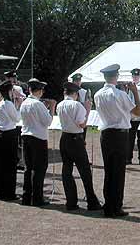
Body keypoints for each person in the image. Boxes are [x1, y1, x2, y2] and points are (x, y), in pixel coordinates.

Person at [94, 64, 140, 218]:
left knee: (109, 171)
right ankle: (116, 206)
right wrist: (134, 92)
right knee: (119, 172)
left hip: (106, 134)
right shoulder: (120, 94)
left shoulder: (97, 94)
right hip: (120, 134)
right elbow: (137, 112)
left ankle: (109, 205)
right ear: (116, 76)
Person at [57, 82, 102, 211]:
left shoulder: (60, 105)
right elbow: (81, 124)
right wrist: (87, 110)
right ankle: (91, 201)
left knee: (67, 170)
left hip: (64, 137)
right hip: (75, 139)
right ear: (75, 94)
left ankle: (71, 201)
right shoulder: (77, 105)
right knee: (85, 171)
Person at [20, 78, 55, 207]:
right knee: (39, 169)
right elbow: (48, 122)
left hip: (26, 136)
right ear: (40, 91)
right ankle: (37, 198)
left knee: (28, 168)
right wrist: (51, 108)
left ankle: (26, 196)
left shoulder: (25, 103)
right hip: (38, 138)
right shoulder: (38, 104)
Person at [0, 80, 21, 200]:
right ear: (9, 91)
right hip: (9, 134)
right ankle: (9, 192)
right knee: (10, 165)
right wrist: (19, 106)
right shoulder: (7, 103)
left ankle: (0, 190)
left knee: (1, 164)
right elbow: (16, 118)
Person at [71, 73, 91, 141]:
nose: (78, 82)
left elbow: (87, 103)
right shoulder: (70, 91)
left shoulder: (84, 92)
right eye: (76, 81)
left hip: (82, 116)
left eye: (79, 80)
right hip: (72, 116)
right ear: (73, 81)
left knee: (82, 138)